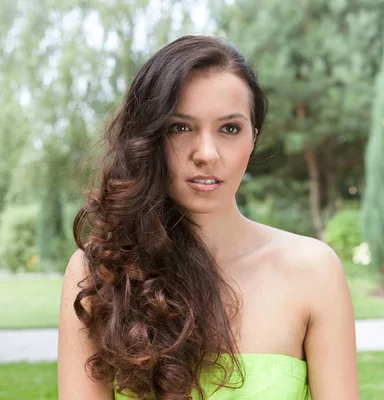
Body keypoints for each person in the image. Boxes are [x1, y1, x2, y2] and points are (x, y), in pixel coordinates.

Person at [57, 35, 359, 400]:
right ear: (149, 138)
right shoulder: (101, 272)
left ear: (253, 139)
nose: (207, 153)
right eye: (180, 127)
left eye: (229, 128)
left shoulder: (314, 270)